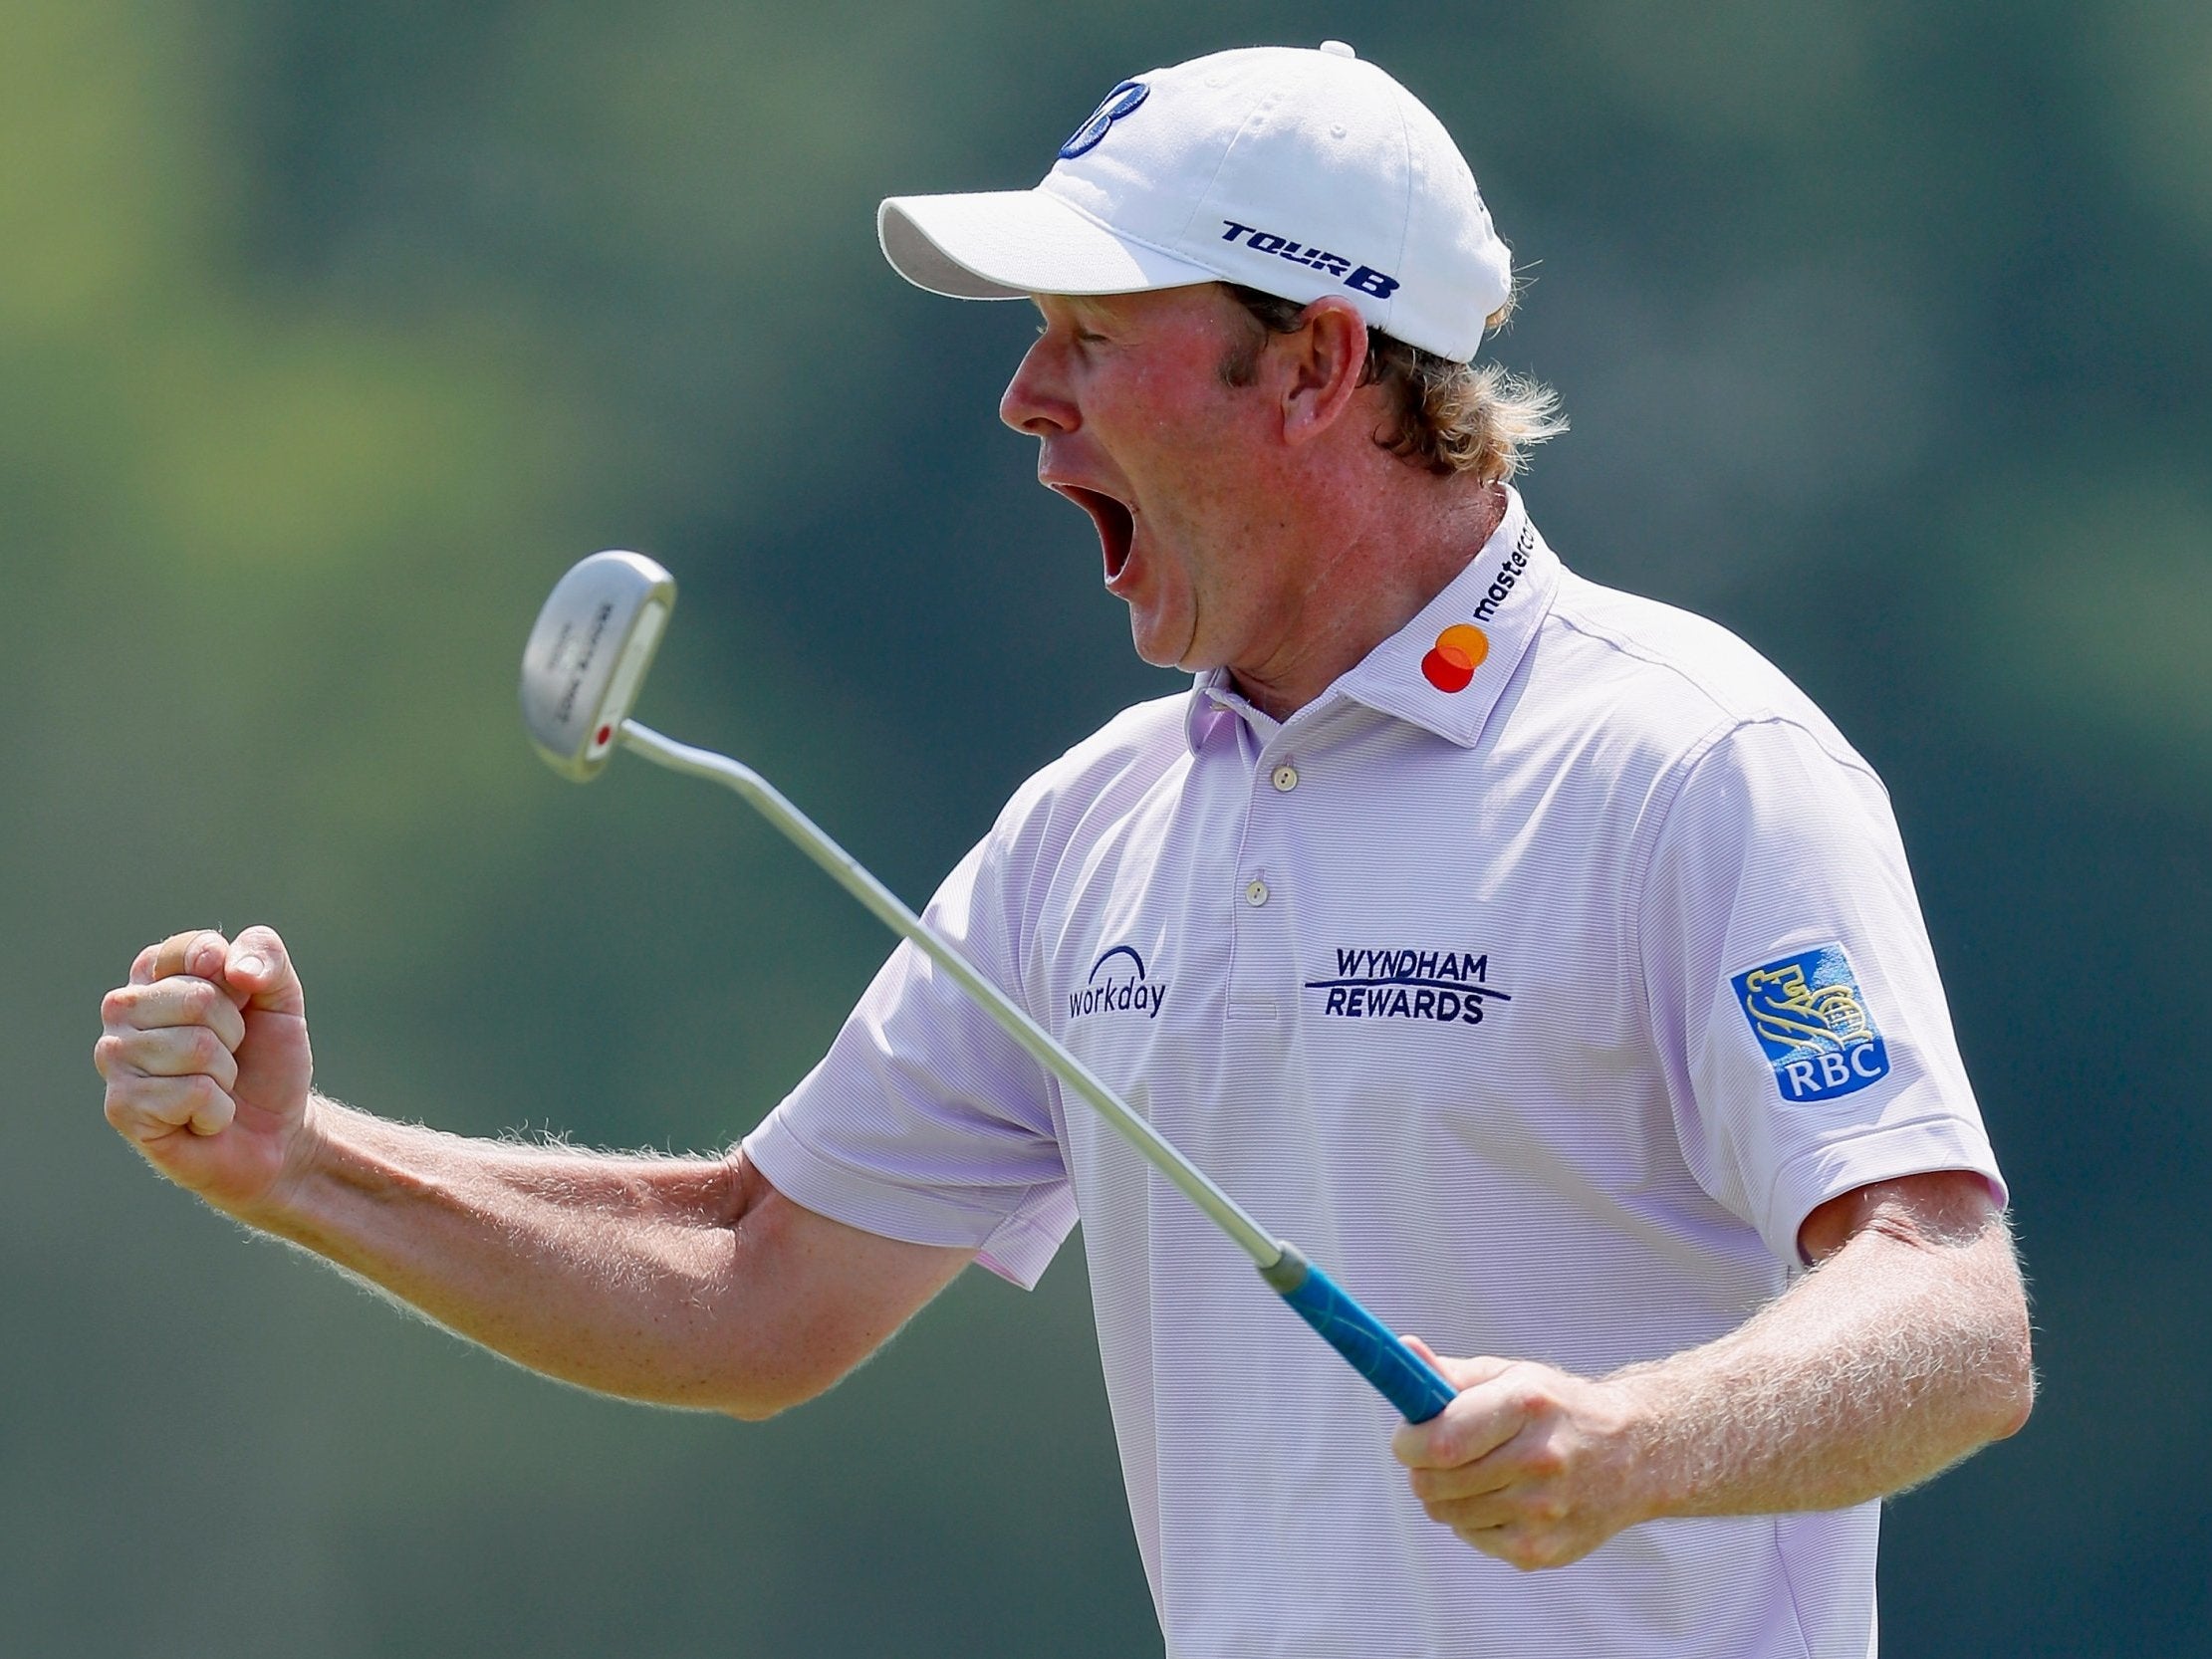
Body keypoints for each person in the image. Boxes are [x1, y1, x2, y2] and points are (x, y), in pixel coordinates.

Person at [96, 41, 2032, 1659]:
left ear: (1313, 366)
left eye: (1091, 335)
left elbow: (1950, 1308)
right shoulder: (1088, 829)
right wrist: (304, 1164)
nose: (1027, 400)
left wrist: (1639, 1438)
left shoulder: (1686, 764)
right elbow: (751, 1277)